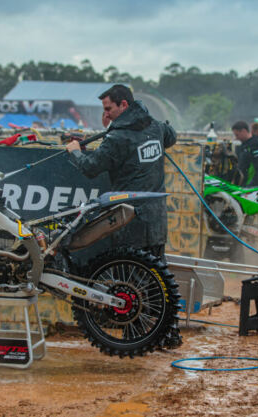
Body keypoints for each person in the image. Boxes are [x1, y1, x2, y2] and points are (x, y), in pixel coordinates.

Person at [65, 84, 182, 344]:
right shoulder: (155, 127)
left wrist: (74, 151)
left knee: (131, 282)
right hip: (156, 217)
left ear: (124, 105)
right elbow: (171, 135)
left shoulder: (118, 138)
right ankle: (169, 335)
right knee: (160, 277)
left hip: (129, 219)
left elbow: (91, 167)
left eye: (109, 109)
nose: (106, 114)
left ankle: (136, 337)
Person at [232, 121, 258, 187]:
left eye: (237, 135)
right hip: (241, 186)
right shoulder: (242, 146)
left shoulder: (255, 145)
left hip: (251, 187)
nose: (236, 138)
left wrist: (250, 186)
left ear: (244, 131)